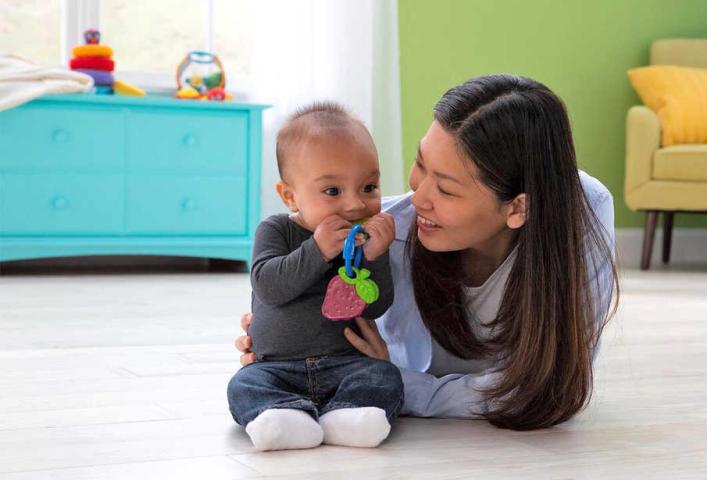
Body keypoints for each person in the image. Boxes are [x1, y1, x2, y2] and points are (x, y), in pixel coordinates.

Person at [236, 74, 619, 431]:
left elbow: (544, 388)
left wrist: (399, 385)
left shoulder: (581, 213)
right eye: (420, 164)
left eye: (446, 189)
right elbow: (297, 286)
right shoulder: (383, 232)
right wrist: (284, 343)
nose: (417, 199)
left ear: (518, 207)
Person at [227, 102, 403, 451]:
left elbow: (376, 306)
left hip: (347, 366)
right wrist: (316, 250)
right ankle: (282, 417)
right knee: (243, 385)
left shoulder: (366, 241)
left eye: (369, 187)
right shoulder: (275, 230)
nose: (355, 205)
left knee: (385, 376)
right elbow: (268, 286)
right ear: (290, 196)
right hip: (276, 369)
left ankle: (348, 416)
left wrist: (376, 257)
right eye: (333, 191)